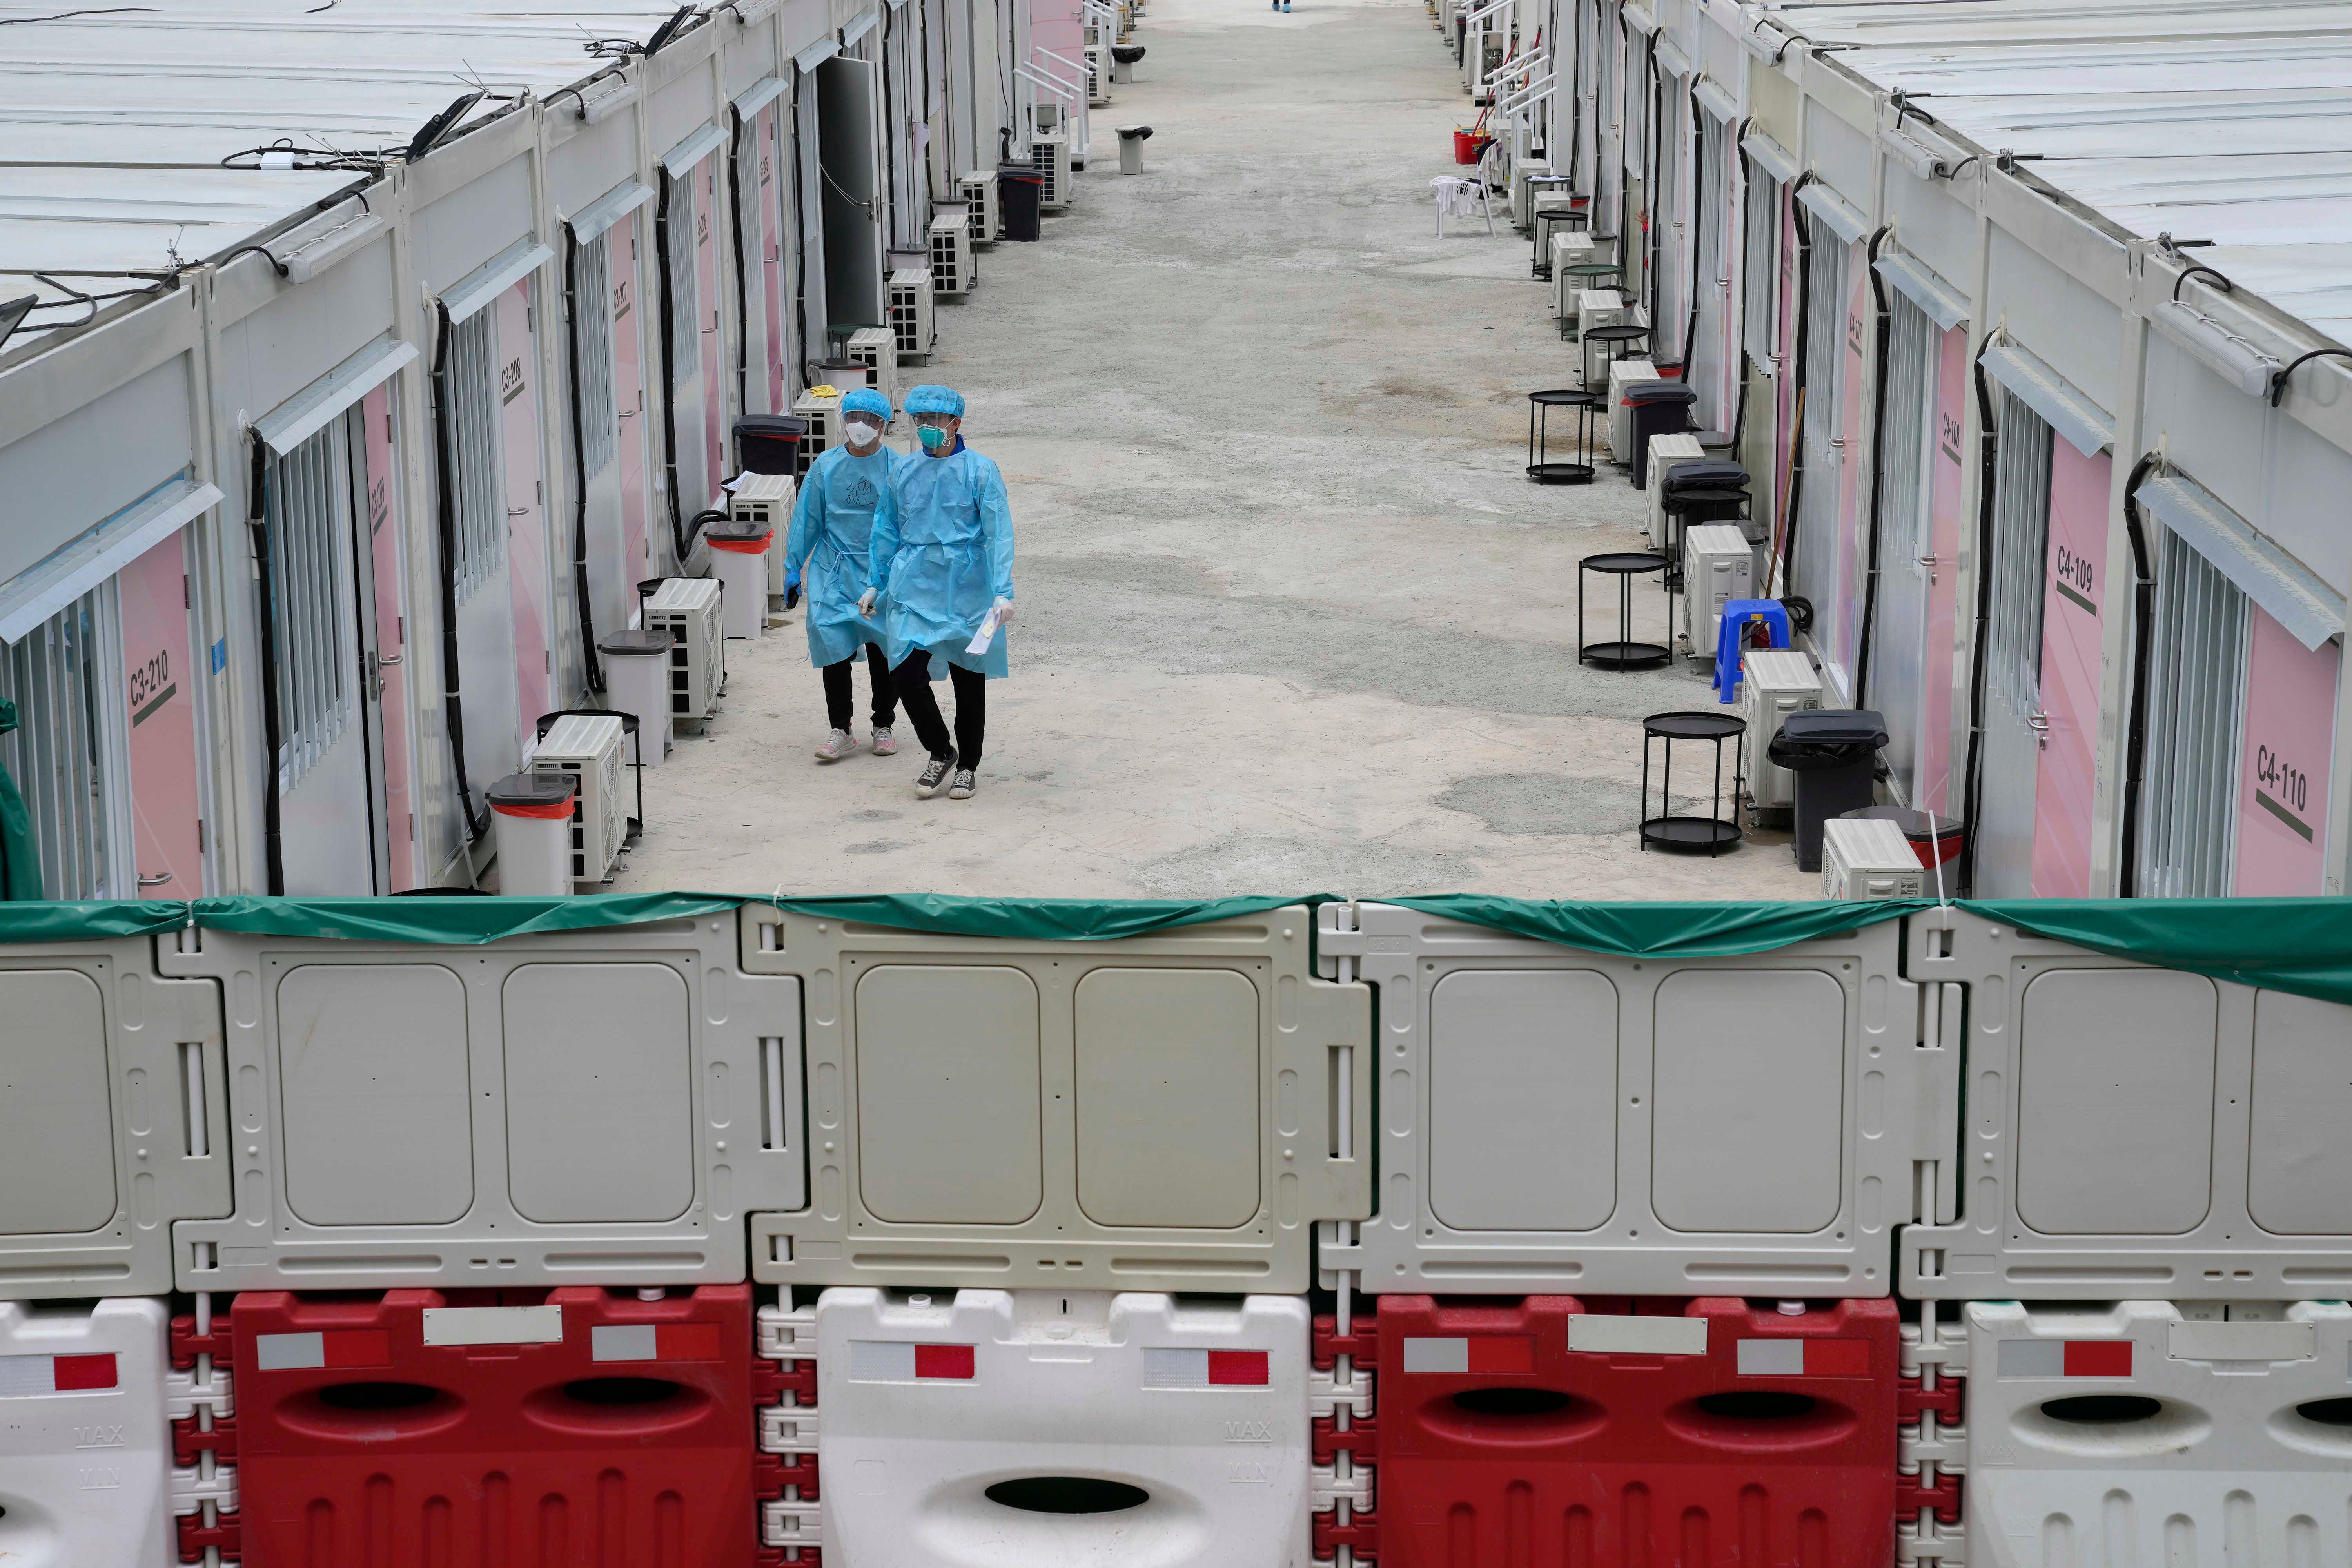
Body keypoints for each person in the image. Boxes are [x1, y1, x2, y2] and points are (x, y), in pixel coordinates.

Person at [858, 384, 1014, 800]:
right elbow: (885, 527)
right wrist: (876, 582)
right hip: (915, 583)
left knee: (969, 679)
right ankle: (941, 750)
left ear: (956, 424)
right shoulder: (903, 471)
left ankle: (968, 766)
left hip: (970, 588)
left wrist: (1003, 591)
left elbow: (1000, 534)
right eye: (919, 420)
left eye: (934, 421)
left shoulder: (981, 471)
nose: (926, 427)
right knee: (905, 671)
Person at [783, 386, 900, 762]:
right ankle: (841, 728)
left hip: (880, 571)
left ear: (884, 426)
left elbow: (909, 524)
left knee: (884, 649)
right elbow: (807, 520)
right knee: (832, 643)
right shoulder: (826, 467)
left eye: (870, 421)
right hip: (832, 568)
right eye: (854, 418)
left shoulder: (897, 468)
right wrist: (792, 567)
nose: (861, 426)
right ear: (843, 420)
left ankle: (883, 723)